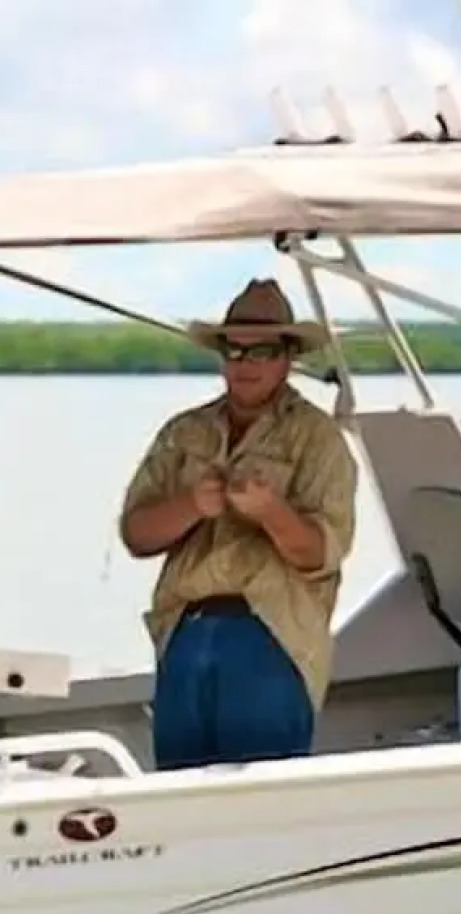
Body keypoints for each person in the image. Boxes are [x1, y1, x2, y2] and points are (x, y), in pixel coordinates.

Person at [118, 278, 357, 770]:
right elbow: (136, 534)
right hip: (185, 632)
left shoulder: (318, 438)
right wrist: (191, 505)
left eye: (261, 351)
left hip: (271, 636)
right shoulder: (183, 431)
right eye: (233, 349)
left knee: (263, 802)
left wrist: (270, 512)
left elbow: (320, 554)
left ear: (288, 356)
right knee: (179, 793)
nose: (243, 364)